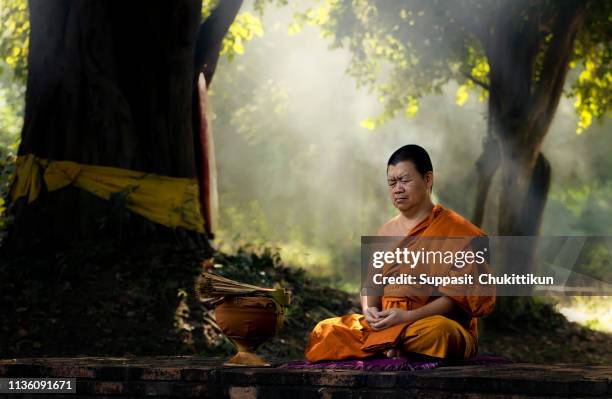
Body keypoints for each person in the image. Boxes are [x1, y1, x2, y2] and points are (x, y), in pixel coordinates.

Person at [304, 144, 495, 362]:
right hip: (386, 324)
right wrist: (369, 312)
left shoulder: (459, 232)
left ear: (428, 179)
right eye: (392, 183)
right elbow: (371, 287)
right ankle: (391, 346)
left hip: (429, 323)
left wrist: (408, 316)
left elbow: (454, 299)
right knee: (325, 331)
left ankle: (385, 346)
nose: (397, 189)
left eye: (404, 180)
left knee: (440, 334)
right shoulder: (385, 232)